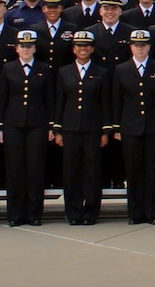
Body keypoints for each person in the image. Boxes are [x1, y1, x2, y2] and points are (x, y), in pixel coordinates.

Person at [113, 29, 155, 225]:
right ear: (131, 47)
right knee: (134, 170)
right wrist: (116, 127)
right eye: (136, 45)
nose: (140, 48)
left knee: (154, 170)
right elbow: (117, 101)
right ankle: (135, 213)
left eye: (143, 45)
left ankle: (154, 213)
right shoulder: (121, 69)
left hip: (154, 126)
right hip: (130, 127)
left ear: (149, 46)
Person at [55, 31, 112, 225]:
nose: (83, 49)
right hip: (70, 129)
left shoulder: (101, 72)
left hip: (93, 129)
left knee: (92, 172)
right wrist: (58, 130)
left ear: (92, 48)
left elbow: (105, 103)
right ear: (73, 49)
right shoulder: (64, 72)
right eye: (79, 45)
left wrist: (105, 131)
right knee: (71, 172)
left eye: (86, 45)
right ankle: (73, 211)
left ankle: (90, 212)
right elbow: (59, 102)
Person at [0, 30, 53, 226]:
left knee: (35, 169)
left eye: (29, 46)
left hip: (37, 124)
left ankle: (34, 214)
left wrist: (51, 126)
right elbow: (2, 98)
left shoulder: (44, 68)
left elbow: (50, 99)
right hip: (13, 124)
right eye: (22, 46)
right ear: (16, 48)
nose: (26, 49)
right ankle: (15, 214)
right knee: (15, 169)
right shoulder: (8, 68)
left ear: (35, 48)